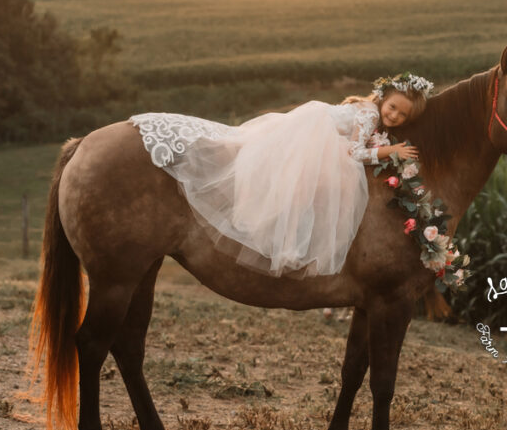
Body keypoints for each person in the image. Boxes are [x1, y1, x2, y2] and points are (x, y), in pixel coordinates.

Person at [128, 72, 433, 278]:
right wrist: (391, 152)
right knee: (308, 186)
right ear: (383, 99)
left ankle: (289, 242)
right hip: (313, 134)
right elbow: (354, 152)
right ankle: (289, 246)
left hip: (311, 127)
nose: (394, 116)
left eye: (402, 116)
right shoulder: (369, 113)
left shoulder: (369, 110)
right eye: (393, 108)